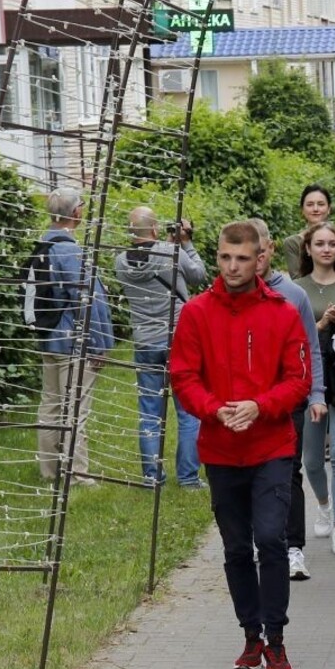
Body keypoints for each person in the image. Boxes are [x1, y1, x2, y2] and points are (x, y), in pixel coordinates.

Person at [170, 220, 312, 669]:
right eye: (226, 257)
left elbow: (298, 380)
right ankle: (250, 634)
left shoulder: (283, 311)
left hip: (271, 445)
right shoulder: (195, 312)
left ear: (261, 259)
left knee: (270, 539)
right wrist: (215, 411)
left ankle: (276, 639)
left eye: (243, 259)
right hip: (221, 448)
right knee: (235, 548)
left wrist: (259, 406)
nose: (233, 267)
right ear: (218, 256)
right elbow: (184, 376)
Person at [249, 220, 328, 582]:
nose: (256, 258)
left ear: (270, 249)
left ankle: (293, 547)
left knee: (288, 471)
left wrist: (316, 394)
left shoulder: (293, 294)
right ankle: (261, 540)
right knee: (250, 472)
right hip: (246, 401)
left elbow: (311, 346)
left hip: (289, 397)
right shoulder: (235, 293)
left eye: (260, 250)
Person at [115, 207, 207, 487]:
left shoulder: (120, 261)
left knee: (149, 411)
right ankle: (189, 477)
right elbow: (198, 275)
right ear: (155, 229)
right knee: (188, 410)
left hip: (145, 340)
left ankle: (152, 476)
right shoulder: (170, 252)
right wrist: (186, 242)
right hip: (177, 337)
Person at [35, 187, 114, 488]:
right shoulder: (68, 250)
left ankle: (49, 470)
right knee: (76, 406)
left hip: (49, 337)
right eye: (81, 205)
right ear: (75, 213)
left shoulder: (42, 244)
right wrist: (99, 344)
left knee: (51, 403)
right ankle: (77, 473)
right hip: (71, 341)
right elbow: (86, 300)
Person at [293, 224, 335, 556]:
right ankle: (323, 504)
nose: (327, 249)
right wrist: (319, 325)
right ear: (308, 249)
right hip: (312, 379)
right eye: (319, 243)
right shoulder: (296, 288)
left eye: (332, 244)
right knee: (313, 459)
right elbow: (291, 337)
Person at [282, 185, 335, 278]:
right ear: (302, 210)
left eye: (321, 204)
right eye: (310, 204)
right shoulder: (292, 243)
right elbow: (297, 279)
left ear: (329, 209)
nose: (315, 209)